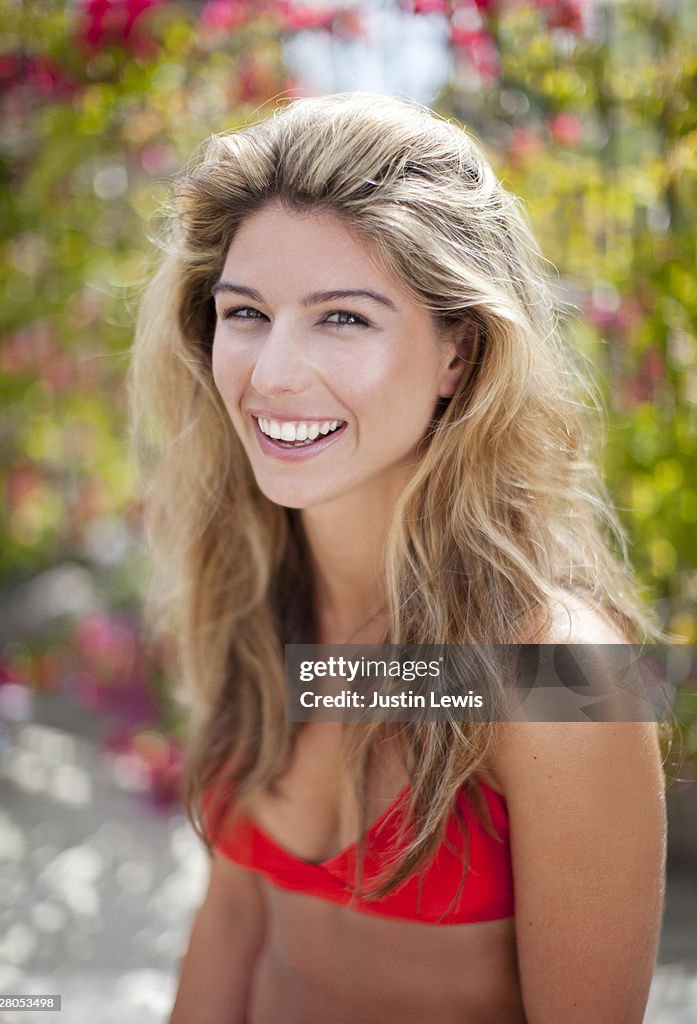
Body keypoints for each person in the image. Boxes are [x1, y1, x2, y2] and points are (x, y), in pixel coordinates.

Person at [129, 93, 666, 1024]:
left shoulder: (550, 674)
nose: (271, 373)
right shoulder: (250, 603)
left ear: (457, 353)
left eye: (342, 319)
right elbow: (232, 924)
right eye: (246, 311)